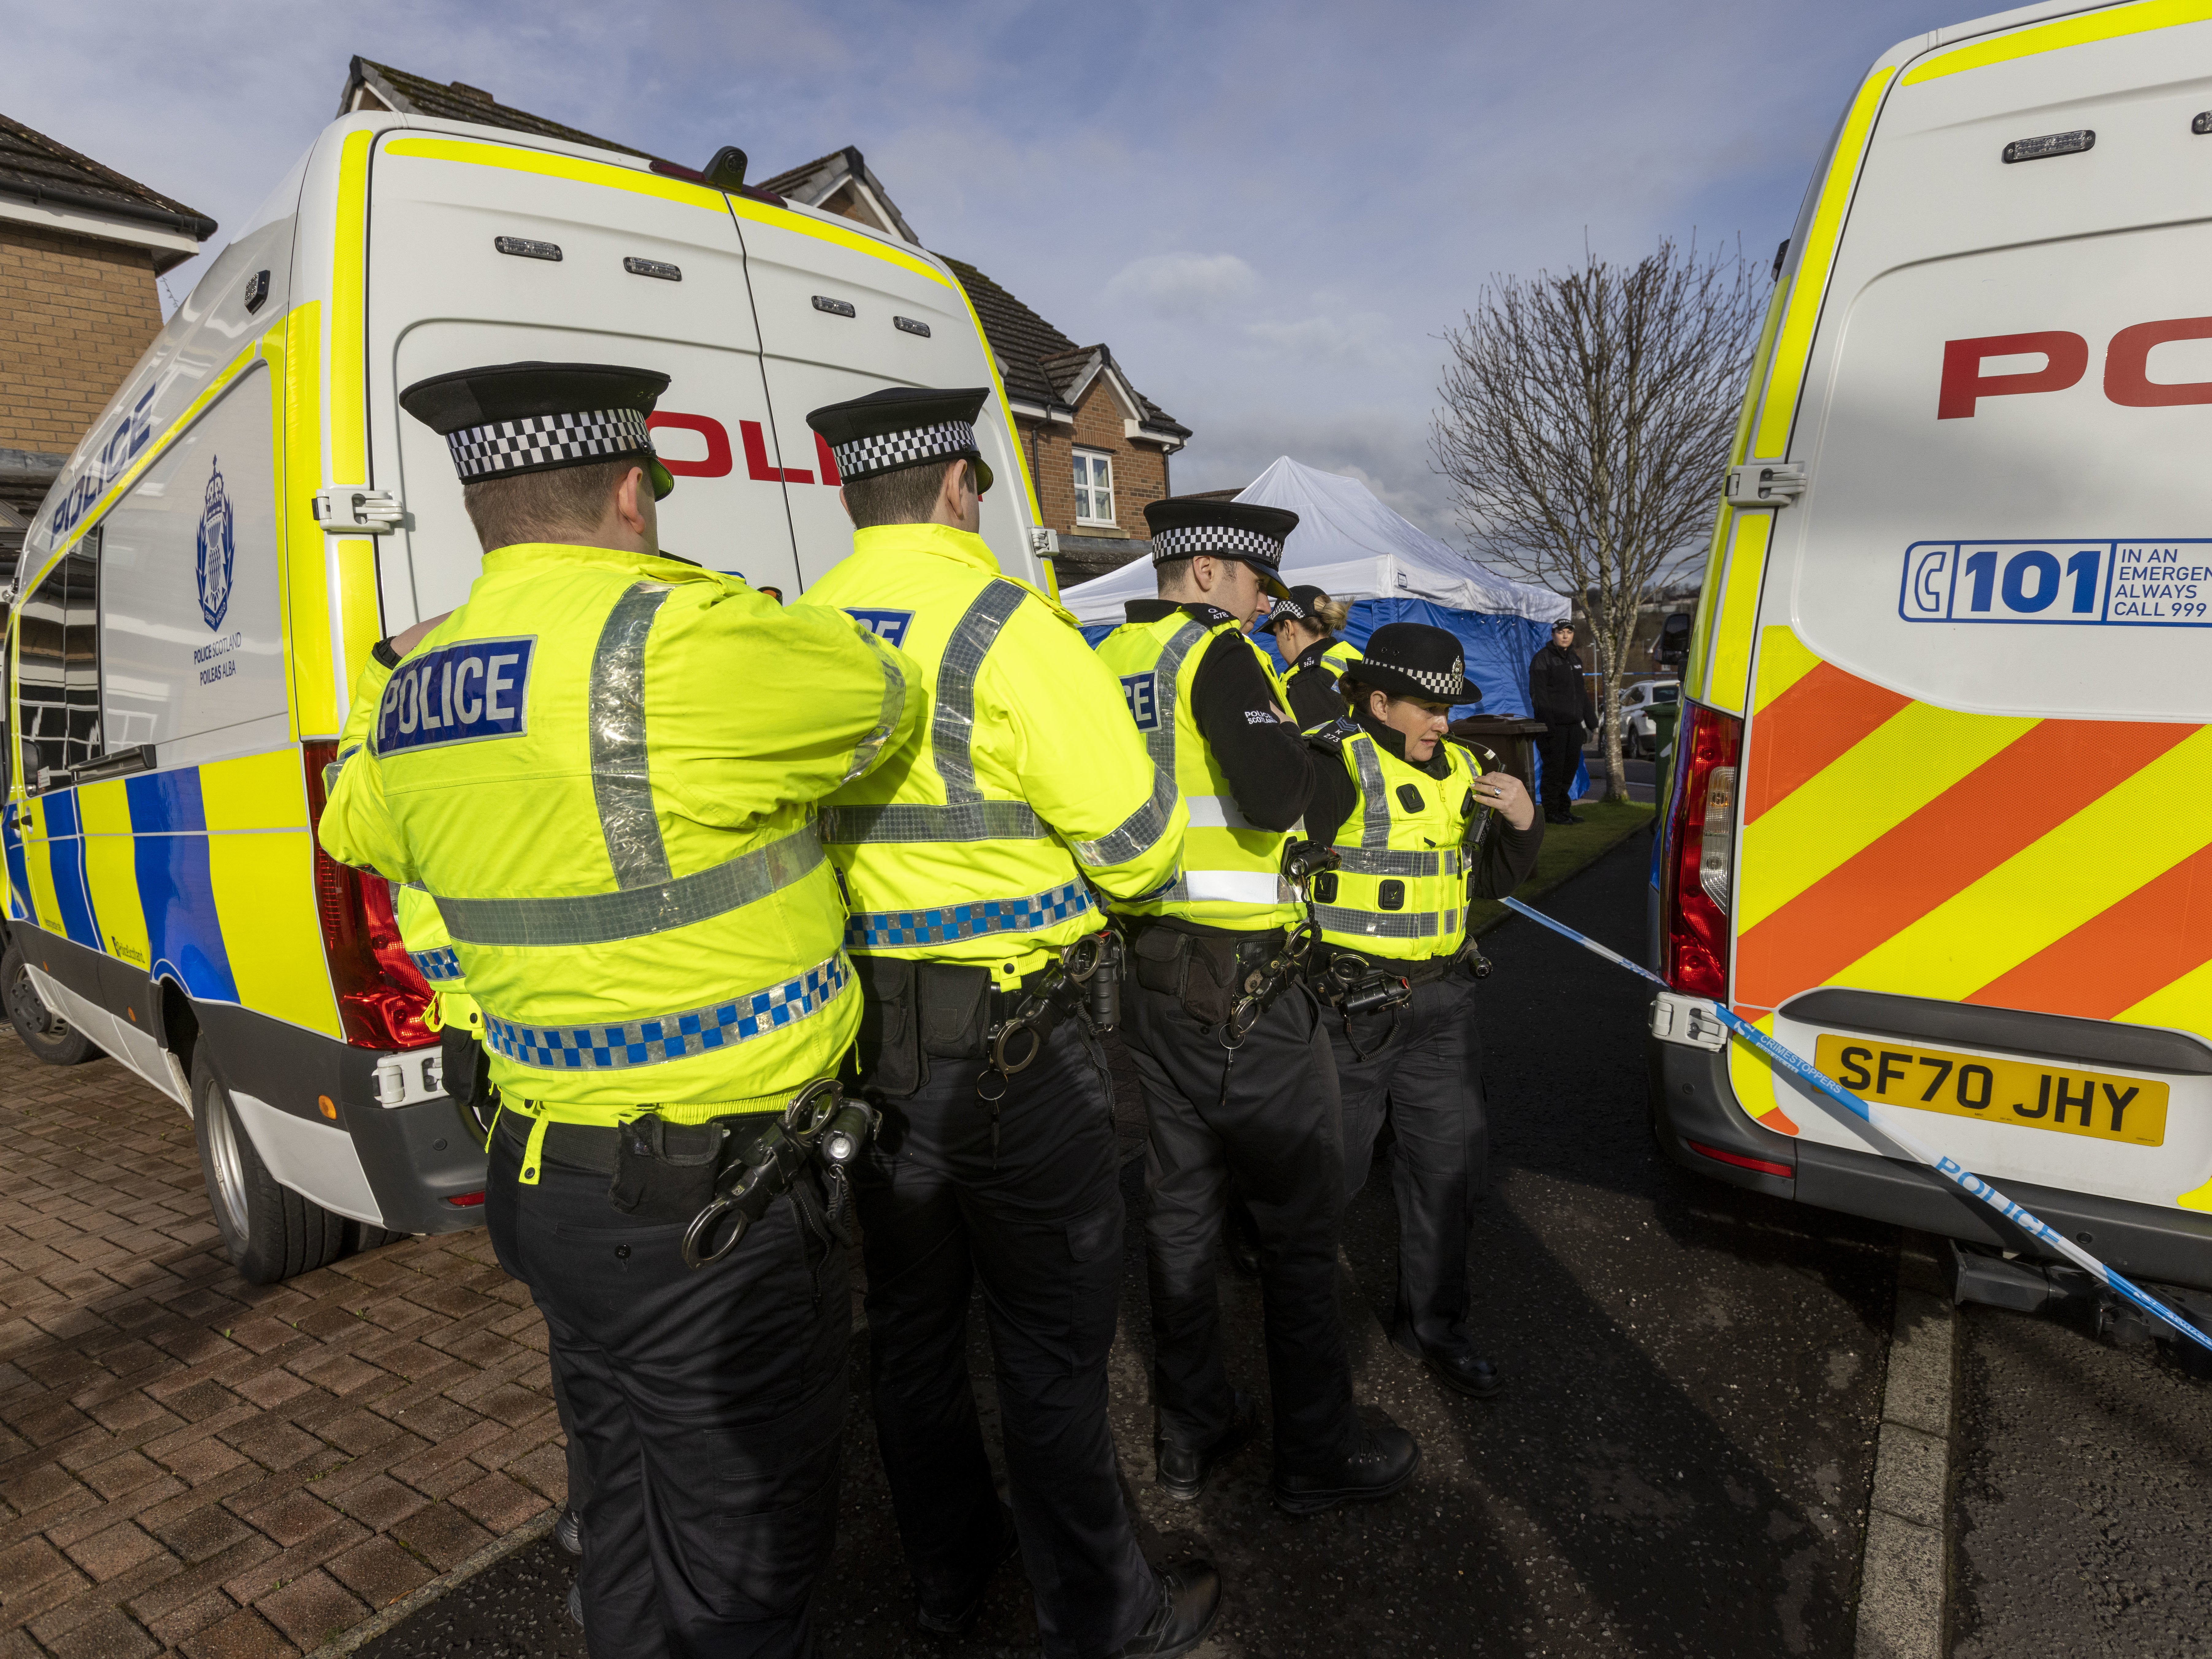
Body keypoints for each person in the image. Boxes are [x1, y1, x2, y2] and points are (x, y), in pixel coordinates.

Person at [319, 361, 923, 1659]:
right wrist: (695, 593)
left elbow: (353, 822)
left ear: (482, 511)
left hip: (548, 1177)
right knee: (744, 1569)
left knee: (622, 1516)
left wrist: (404, 686)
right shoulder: (682, 642)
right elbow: (881, 702)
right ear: (635, 495)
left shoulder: (418, 690)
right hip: (708, 1205)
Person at [801, 388, 1216, 1659]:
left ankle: (949, 1572)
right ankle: (1102, 1611)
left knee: (914, 1333)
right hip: (1014, 1049)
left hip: (868, 1041)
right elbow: (1140, 848)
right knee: (1046, 1341)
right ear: (958, 489)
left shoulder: (796, 631)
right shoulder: (1010, 627)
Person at [1098, 498, 1421, 1517]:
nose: (1257, 606)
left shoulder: (1108, 656)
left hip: (1149, 970)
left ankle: (1190, 1429)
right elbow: (1286, 798)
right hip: (1246, 987)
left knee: (1183, 1212)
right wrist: (1326, 739)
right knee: (1295, 1222)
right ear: (1205, 575)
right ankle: (1316, 1445)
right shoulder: (1218, 656)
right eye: (1250, 585)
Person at [1301, 623, 1542, 1398]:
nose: (1444, 722)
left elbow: (1494, 882)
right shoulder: (1327, 761)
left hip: (1441, 1002)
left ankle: (1433, 1328)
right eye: (1427, 707)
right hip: (1347, 1010)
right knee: (1324, 1178)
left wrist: (1523, 820)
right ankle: (1299, 1341)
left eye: (1449, 706)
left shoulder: (1469, 767)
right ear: (1379, 701)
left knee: (1447, 1172)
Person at [1265, 584, 1362, 729]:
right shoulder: (1349, 657)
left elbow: (1315, 750)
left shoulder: (1309, 681)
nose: (1277, 642)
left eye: (1276, 633)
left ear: (1288, 628)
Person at [1528, 618, 1594, 824]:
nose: (1565, 636)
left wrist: (1592, 723)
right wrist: (1549, 728)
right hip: (1553, 728)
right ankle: (1551, 812)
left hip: (1573, 727)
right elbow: (1539, 697)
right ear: (1553, 634)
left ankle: (1564, 810)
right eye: (1561, 632)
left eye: (1569, 632)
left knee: (1569, 770)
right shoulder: (1543, 659)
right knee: (1554, 771)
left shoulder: (1575, 660)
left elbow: (1581, 694)